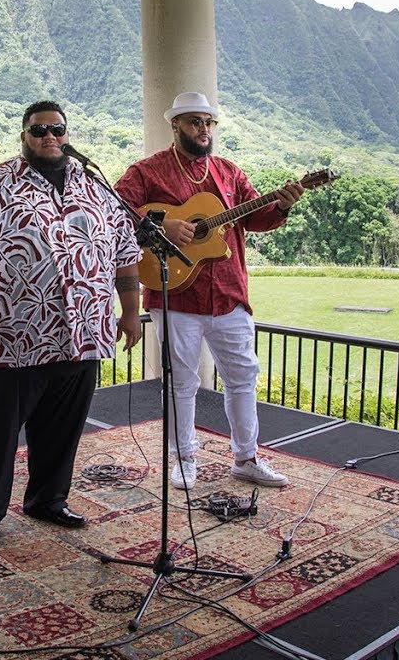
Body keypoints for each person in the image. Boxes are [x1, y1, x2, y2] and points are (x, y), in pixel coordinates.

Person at [0, 100, 143, 548]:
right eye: (39, 130)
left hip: (82, 334)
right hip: (13, 336)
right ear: (24, 135)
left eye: (57, 129)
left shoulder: (96, 185)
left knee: (63, 429)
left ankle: (48, 500)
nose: (49, 136)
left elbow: (126, 253)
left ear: (68, 135)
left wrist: (130, 311)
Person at [114, 91, 304, 491]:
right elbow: (113, 212)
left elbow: (257, 218)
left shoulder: (228, 172)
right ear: (176, 125)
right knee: (182, 382)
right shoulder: (147, 172)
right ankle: (183, 458)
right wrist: (160, 227)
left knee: (243, 377)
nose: (204, 129)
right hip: (177, 294)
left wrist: (282, 206)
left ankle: (246, 458)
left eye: (208, 122)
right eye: (195, 122)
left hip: (229, 295)